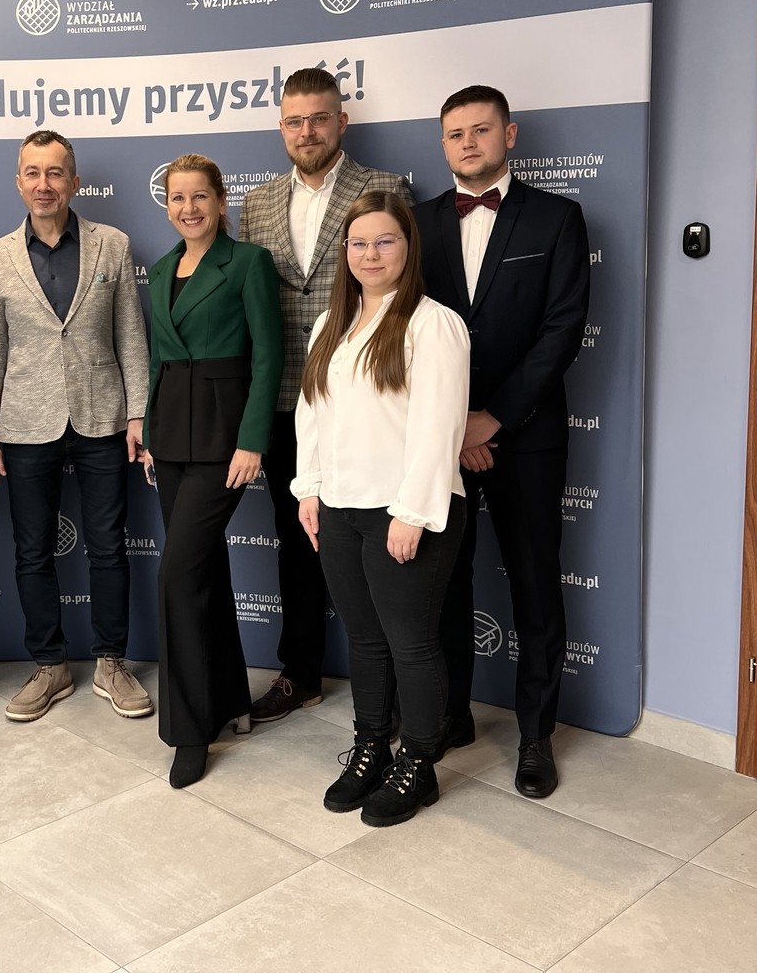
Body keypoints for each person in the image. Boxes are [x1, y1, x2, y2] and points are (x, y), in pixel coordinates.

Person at [415, 85, 590, 799]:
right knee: (443, 584)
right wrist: (454, 422)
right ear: (443, 144)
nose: (468, 143)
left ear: (509, 135)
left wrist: (493, 418)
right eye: (455, 133)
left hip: (525, 436)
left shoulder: (557, 218)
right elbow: (404, 327)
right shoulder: (415, 223)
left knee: (535, 586)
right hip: (439, 436)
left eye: (481, 130)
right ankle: (450, 716)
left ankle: (535, 736)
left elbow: (562, 330)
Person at [238, 66, 411, 723]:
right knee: (296, 539)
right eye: (294, 120)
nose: (306, 131)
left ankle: (395, 681)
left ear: (342, 121)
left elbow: (404, 295)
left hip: (370, 400)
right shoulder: (255, 203)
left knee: (380, 542)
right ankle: (300, 673)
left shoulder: (384, 188)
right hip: (286, 399)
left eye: (318, 118)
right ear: (280, 127)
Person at [293, 192, 469, 826]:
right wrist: (309, 488)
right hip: (339, 509)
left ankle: (419, 762)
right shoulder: (330, 324)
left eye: (385, 240)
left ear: (408, 247)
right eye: (359, 242)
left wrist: (412, 513)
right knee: (365, 642)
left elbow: (439, 428)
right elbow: (312, 412)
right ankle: (371, 746)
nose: (370, 254)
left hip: (402, 512)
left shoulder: (433, 323)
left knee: (411, 644)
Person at [0, 130, 153, 723]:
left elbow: (131, 336)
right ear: (18, 182)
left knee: (108, 546)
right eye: (33, 173)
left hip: (102, 415)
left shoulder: (112, 245)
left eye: (54, 173)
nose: (43, 184)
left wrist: (138, 413)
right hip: (24, 422)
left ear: (74, 182)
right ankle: (49, 665)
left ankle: (111, 661)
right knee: (32, 551)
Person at [142, 154, 283, 788]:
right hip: (171, 434)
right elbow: (158, 360)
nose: (189, 208)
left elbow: (268, 356)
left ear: (222, 202)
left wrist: (252, 441)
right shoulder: (161, 268)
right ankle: (227, 698)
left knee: (177, 575)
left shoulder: (248, 263)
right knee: (202, 573)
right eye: (178, 198)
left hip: (225, 437)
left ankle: (189, 730)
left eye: (200, 196)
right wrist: (150, 435)